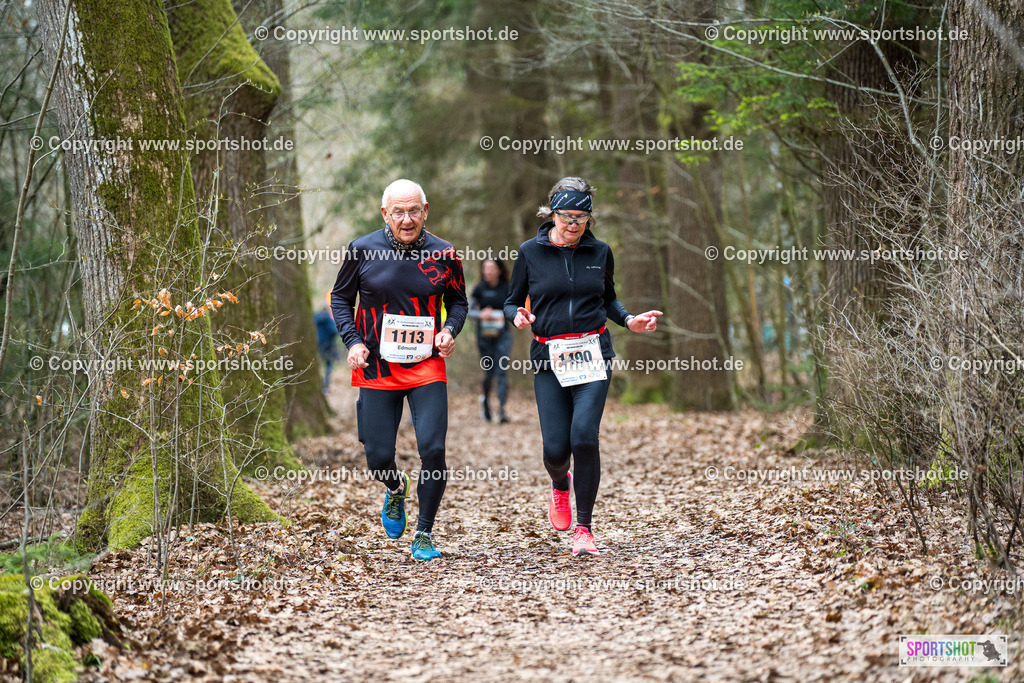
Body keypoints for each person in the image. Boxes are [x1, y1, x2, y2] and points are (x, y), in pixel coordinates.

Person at [504, 177, 662, 556]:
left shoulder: (600, 252)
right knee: (556, 450)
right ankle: (561, 485)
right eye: (566, 216)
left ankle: (584, 528)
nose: (573, 224)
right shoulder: (530, 252)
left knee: (584, 437)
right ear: (552, 214)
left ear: (590, 218)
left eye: (582, 217)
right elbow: (511, 301)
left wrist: (629, 321)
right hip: (550, 358)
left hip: (593, 355)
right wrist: (518, 316)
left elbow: (608, 298)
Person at [331, 179, 468, 561]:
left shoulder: (444, 254)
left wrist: (448, 330)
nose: (406, 220)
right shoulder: (362, 250)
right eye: (398, 212)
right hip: (377, 365)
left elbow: (459, 302)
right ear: (385, 214)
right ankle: (395, 488)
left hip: (426, 364)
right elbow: (341, 299)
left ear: (426, 211)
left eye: (414, 211)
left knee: (434, 449)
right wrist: (353, 342)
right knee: (377, 456)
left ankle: (423, 533)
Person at [469, 258, 511, 423]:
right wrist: (480, 314)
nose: (488, 272)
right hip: (484, 336)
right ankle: (485, 402)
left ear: (499, 270)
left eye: (491, 268)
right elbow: (468, 311)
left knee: (501, 370)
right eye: (485, 268)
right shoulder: (480, 288)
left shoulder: (507, 288)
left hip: (503, 335)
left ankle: (501, 410)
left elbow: (513, 308)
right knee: (489, 372)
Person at [313, 296, 339, 392]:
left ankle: (319, 384)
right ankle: (325, 386)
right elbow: (335, 331)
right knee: (328, 366)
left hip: (316, 345)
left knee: (317, 365)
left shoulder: (314, 318)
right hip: (327, 346)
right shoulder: (328, 320)